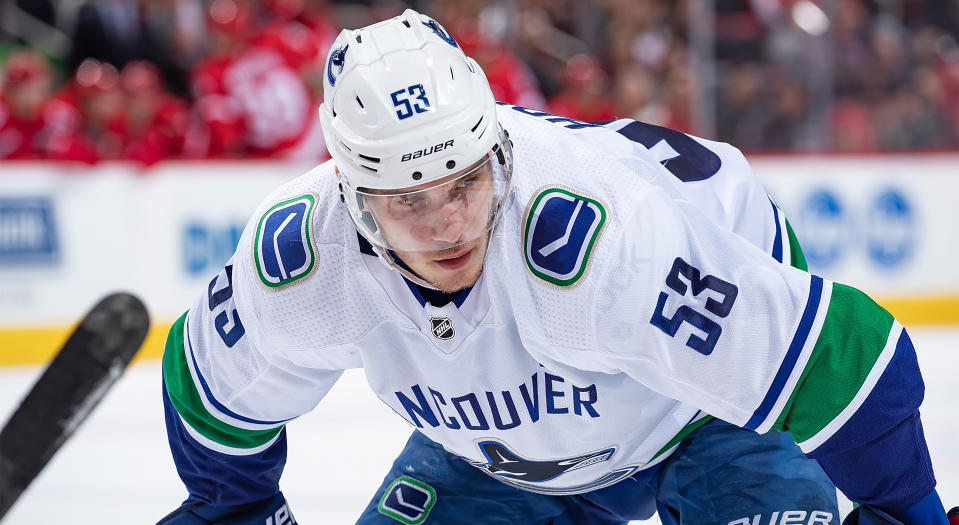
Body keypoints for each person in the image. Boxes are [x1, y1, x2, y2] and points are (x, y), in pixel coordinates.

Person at [157, 10, 950, 525]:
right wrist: (233, 510)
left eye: (464, 182)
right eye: (407, 201)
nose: (445, 225)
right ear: (352, 196)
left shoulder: (601, 244)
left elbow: (848, 351)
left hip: (708, 414)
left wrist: (909, 514)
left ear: (497, 150)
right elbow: (211, 381)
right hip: (499, 455)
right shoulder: (302, 257)